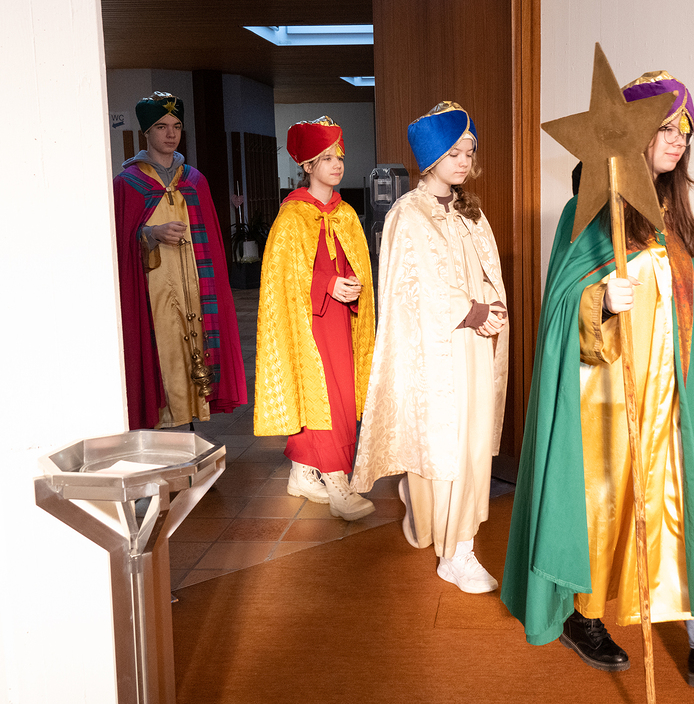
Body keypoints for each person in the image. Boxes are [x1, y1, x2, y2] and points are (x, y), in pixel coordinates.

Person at [501, 72, 694, 697]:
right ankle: (584, 615)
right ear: (631, 134)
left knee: (689, 505)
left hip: (670, 398)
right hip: (603, 399)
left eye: (686, 130)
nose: (678, 139)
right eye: (665, 127)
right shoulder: (589, 212)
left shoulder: (672, 215)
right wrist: (597, 299)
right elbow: (559, 307)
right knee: (605, 507)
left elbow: (683, 309)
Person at [353, 102, 509, 593]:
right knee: (441, 442)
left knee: (469, 443)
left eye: (470, 152)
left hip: (474, 346)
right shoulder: (408, 213)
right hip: (436, 350)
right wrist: (472, 311)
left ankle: (454, 539)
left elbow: (487, 273)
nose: (464, 161)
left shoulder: (470, 213)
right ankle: (450, 550)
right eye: (453, 152)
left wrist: (493, 307)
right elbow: (409, 292)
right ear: (431, 156)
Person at [254, 117, 376, 520]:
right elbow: (282, 278)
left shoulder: (346, 215)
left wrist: (353, 285)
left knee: (340, 392)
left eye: (339, 156)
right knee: (324, 396)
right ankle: (337, 481)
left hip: (342, 320)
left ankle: (303, 472)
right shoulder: (292, 217)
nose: (336, 164)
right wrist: (326, 284)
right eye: (326, 158)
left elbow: (357, 262)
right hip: (309, 325)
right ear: (307, 165)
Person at [114, 92, 246, 430]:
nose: (170, 134)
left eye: (176, 126)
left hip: (196, 287)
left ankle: (189, 422)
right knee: (165, 351)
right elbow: (119, 244)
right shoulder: (127, 184)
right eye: (161, 126)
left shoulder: (194, 181)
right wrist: (150, 234)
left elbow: (211, 243)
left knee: (197, 346)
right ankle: (164, 425)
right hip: (154, 289)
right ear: (146, 132)